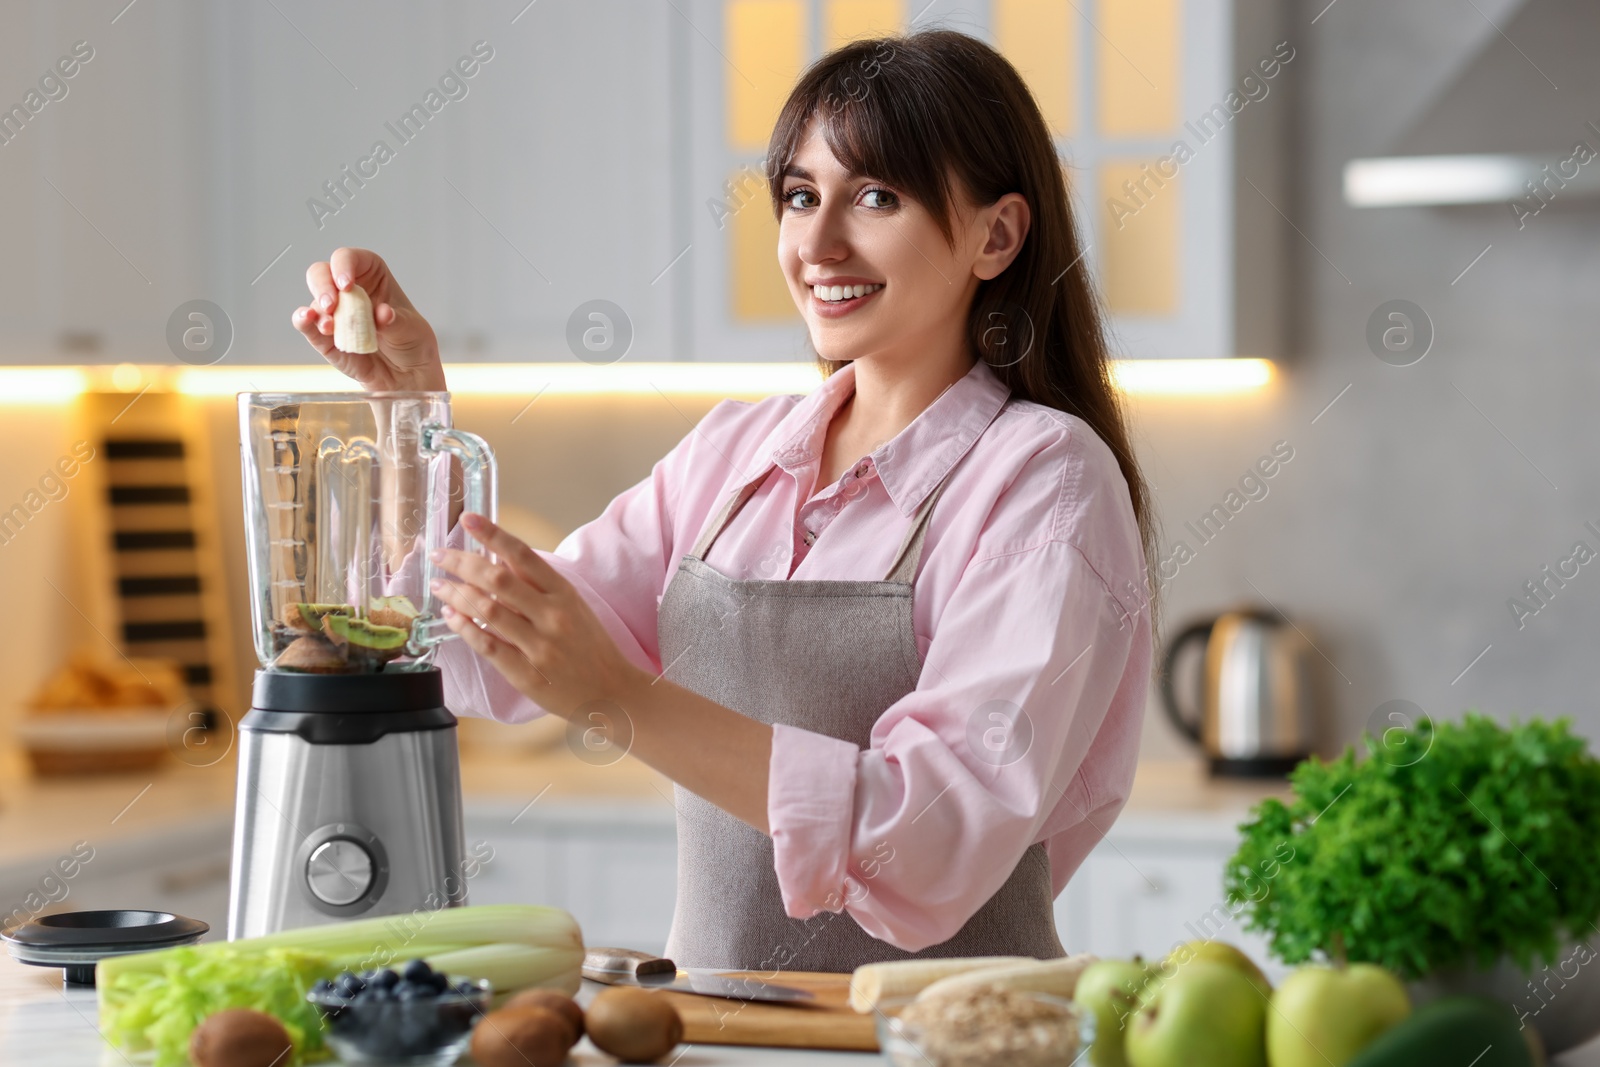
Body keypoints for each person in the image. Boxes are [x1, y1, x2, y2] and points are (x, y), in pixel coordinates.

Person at [291, 29, 1156, 973]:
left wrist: (623, 698)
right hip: (708, 1027)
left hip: (936, 1040)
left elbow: (936, 837)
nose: (818, 243)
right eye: (799, 196)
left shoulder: (1043, 478)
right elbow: (477, 652)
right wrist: (409, 406)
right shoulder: (733, 454)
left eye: (876, 196)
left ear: (997, 234)